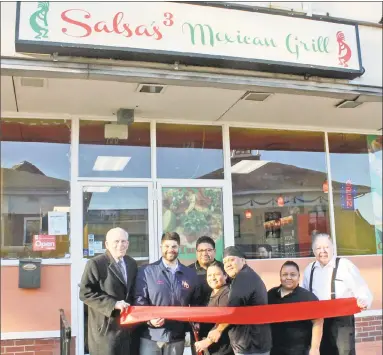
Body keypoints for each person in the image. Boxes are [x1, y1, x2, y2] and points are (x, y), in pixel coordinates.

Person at [302, 233, 373, 355]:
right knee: (323, 351)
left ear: (332, 248)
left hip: (342, 319)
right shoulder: (310, 269)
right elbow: (304, 293)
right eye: (318, 248)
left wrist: (364, 301)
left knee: (344, 352)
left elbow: (362, 289)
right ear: (313, 250)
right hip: (319, 320)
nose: (322, 251)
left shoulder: (345, 265)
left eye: (326, 247)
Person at [134, 232, 200, 355]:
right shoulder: (147, 271)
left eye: (174, 246)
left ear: (179, 248)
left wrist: (195, 323)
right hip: (150, 336)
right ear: (161, 248)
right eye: (167, 246)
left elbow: (195, 303)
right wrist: (149, 319)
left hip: (177, 337)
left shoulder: (190, 274)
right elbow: (140, 299)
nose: (170, 250)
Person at [79, 227, 137, 355]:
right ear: (107, 244)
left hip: (128, 329)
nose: (120, 245)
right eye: (116, 241)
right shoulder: (95, 264)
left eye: (123, 241)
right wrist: (113, 304)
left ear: (128, 244)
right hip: (106, 329)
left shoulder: (132, 263)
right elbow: (85, 293)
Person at [208, 246, 272, 355]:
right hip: (254, 344)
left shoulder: (243, 278)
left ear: (243, 260)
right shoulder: (246, 276)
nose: (228, 264)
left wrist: (218, 330)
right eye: (225, 262)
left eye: (232, 260)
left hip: (251, 347)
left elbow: (232, 311)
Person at [268, 261, 323, 355]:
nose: (288, 277)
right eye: (285, 274)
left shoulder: (308, 298)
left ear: (298, 276)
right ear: (280, 277)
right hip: (274, 349)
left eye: (293, 274)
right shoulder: (270, 295)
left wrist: (315, 348)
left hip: (299, 350)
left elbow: (318, 322)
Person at [189, 236, 225, 354]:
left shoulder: (223, 269)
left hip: (220, 325)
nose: (205, 253)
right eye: (201, 250)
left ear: (214, 251)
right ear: (196, 253)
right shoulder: (188, 272)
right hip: (197, 325)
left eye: (209, 250)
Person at [194, 262, 234, 355]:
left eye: (216, 274)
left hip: (224, 348)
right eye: (209, 275)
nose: (212, 278)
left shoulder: (226, 293)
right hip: (214, 348)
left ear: (225, 275)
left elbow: (226, 318)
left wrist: (207, 342)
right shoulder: (212, 293)